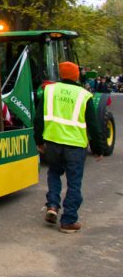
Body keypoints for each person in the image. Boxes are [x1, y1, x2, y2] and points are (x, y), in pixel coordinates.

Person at [34, 61, 105, 233]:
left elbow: (38, 118)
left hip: (53, 142)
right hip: (75, 145)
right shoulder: (84, 95)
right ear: (76, 76)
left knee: (54, 173)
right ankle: (68, 220)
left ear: (61, 75)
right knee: (74, 183)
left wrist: (39, 141)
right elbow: (93, 126)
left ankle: (52, 205)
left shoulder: (49, 90)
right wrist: (98, 148)